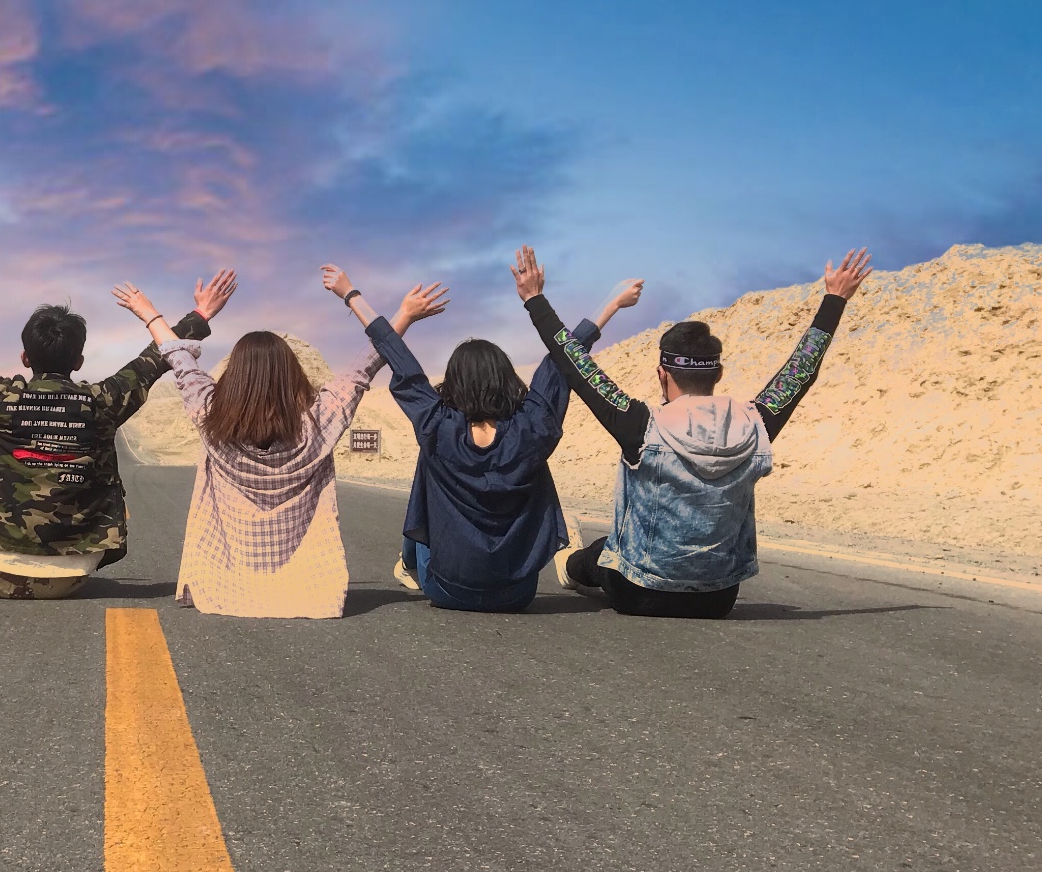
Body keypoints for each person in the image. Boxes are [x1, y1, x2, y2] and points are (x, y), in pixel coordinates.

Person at [521, 245, 873, 618]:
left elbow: (575, 364)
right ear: (718, 374)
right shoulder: (755, 424)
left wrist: (535, 300)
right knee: (606, 550)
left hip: (638, 592)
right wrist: (835, 299)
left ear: (662, 374)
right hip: (717, 597)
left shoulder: (641, 424)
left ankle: (571, 565)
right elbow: (801, 369)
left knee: (603, 553)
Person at [110, 267, 442, 619]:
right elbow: (366, 364)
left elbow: (179, 359)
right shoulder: (318, 423)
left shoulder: (211, 416)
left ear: (234, 379)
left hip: (223, 589)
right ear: (291, 376)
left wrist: (151, 313)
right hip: (309, 591)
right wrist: (389, 309)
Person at [0, 270, 237, 599]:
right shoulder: (103, 402)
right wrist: (200, 315)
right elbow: (156, 359)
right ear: (79, 361)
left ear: (25, 358)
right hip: (73, 572)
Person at [365, 264, 646, 611]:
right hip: (516, 594)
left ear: (453, 382)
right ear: (506, 379)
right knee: (441, 452)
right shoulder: (531, 427)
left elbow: (404, 367)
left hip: (445, 590)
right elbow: (564, 362)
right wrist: (611, 305)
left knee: (431, 455)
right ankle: (417, 561)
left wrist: (353, 297)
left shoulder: (439, 426)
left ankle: (409, 562)